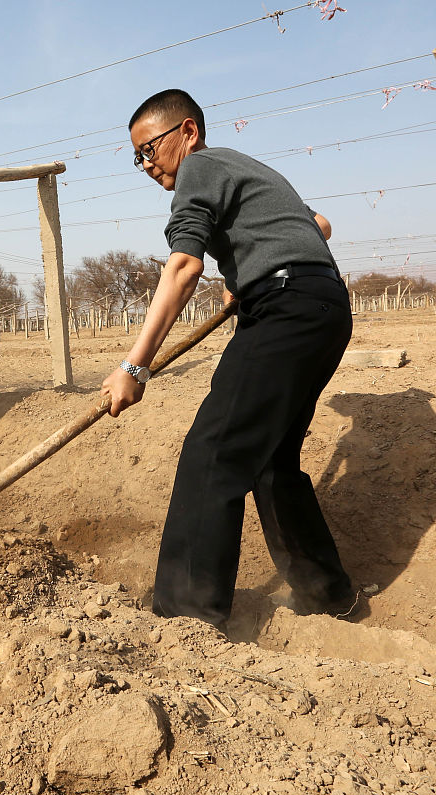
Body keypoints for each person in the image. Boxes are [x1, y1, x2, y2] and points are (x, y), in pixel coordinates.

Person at [101, 89, 354, 631]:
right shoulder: (244, 167)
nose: (146, 165)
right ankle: (330, 597)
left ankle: (185, 620)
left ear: (187, 132)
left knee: (213, 452)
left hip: (284, 310)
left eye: (150, 149)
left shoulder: (200, 169)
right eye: (137, 157)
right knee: (268, 461)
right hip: (323, 306)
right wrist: (247, 270)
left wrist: (134, 367)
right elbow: (322, 225)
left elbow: (184, 266)